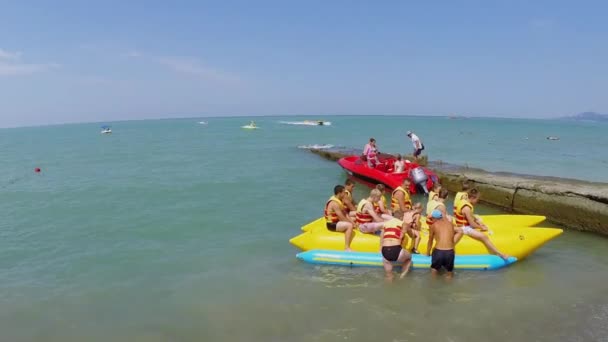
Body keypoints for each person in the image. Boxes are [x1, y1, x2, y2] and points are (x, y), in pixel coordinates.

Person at [454, 189, 510, 260]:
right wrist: (481, 227)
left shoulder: (463, 201)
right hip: (464, 228)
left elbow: (470, 217)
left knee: (479, 221)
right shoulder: (466, 208)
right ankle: (500, 254)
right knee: (484, 237)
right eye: (477, 199)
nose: (477, 201)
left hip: (464, 225)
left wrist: (478, 222)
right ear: (472, 198)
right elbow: (472, 224)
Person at [426, 209, 456, 279]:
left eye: (432, 219)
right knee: (449, 274)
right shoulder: (451, 224)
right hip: (450, 252)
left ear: (434, 218)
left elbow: (430, 240)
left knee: (434, 272)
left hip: (439, 252)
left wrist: (428, 253)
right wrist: (454, 252)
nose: (431, 220)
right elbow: (452, 240)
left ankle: (433, 287)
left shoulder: (433, 225)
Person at [324, 185, 356, 251]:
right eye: (344, 192)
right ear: (339, 193)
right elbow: (342, 217)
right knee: (349, 226)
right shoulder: (334, 203)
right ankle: (346, 247)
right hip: (331, 224)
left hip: (337, 221)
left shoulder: (339, 200)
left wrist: (353, 222)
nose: (345, 194)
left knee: (353, 219)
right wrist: (352, 224)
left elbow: (345, 214)